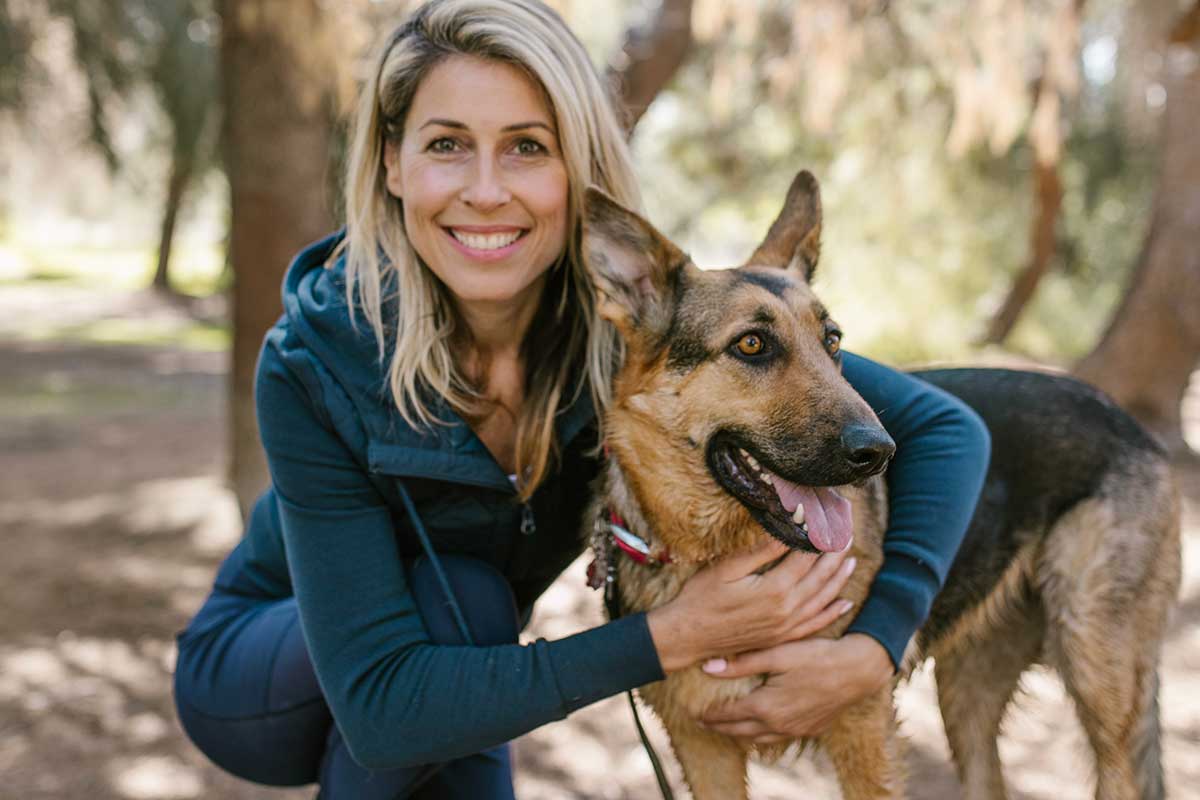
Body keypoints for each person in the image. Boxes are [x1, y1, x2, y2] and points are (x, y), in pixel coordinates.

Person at [172, 0, 991, 797]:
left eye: (527, 147)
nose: (487, 191)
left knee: (469, 615)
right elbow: (384, 713)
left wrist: (877, 644)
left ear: (577, 168)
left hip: (467, 660)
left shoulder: (640, 319)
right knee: (459, 596)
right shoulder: (319, 360)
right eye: (448, 144)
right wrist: (669, 637)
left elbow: (944, 430)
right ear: (393, 162)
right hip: (266, 678)